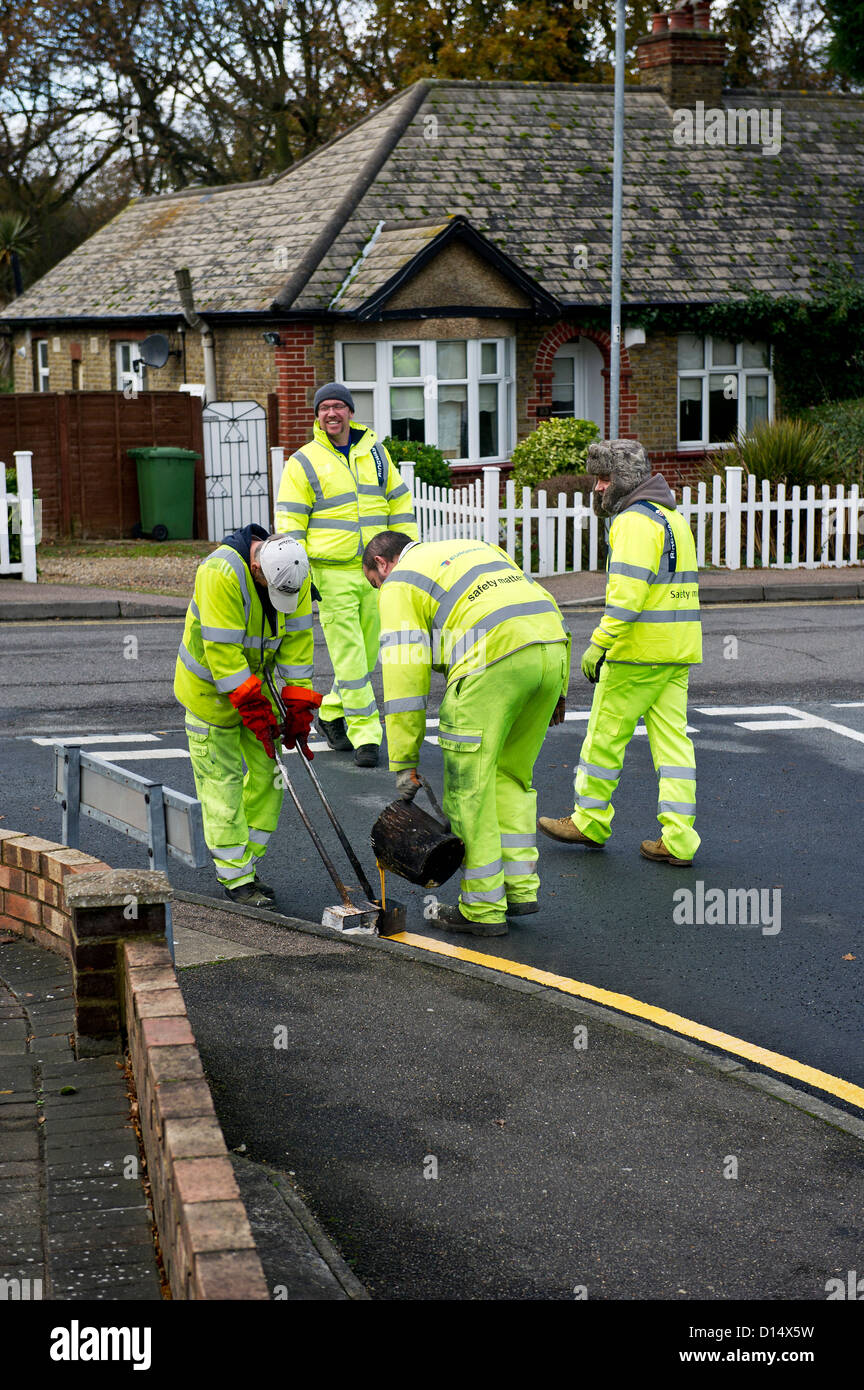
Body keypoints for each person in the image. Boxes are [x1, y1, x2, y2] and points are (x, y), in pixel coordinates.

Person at [363, 531, 570, 937]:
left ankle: (483, 909)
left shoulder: (400, 582)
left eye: (375, 583)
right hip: (550, 649)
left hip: (491, 665)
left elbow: (405, 680)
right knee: (510, 777)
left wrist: (404, 762)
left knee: (468, 790)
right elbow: (536, 599)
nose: (379, 591)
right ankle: (518, 888)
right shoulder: (474, 548)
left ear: (382, 565)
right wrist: (557, 688)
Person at [538, 439, 702, 865]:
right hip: (677, 651)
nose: (597, 487)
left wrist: (598, 644)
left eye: (604, 477)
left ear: (624, 480)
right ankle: (679, 839)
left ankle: (589, 820)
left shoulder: (631, 522)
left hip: (635, 652)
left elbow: (627, 598)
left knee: (604, 739)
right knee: (674, 748)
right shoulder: (672, 518)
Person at [174, 525, 321, 908]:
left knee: (272, 775)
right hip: (210, 693)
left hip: (255, 687)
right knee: (220, 784)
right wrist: (253, 708)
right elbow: (223, 655)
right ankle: (236, 878)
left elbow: (298, 643)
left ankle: (248, 864)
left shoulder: (295, 570)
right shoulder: (219, 572)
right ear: (257, 567)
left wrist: (299, 704)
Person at [274, 383, 417, 768]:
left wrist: (407, 555)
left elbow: (400, 504)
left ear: (351, 412)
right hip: (331, 574)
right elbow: (289, 524)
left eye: (339, 406)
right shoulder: (302, 462)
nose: (332, 414)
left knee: (368, 653)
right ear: (317, 416)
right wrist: (298, 574)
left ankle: (332, 711)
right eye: (324, 408)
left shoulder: (377, 454)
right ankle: (367, 735)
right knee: (350, 655)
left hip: (377, 573)